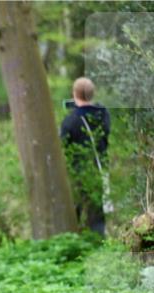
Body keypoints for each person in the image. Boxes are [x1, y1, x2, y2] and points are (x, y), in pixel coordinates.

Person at [60, 77, 111, 236]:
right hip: (99, 167)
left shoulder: (70, 121)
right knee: (97, 210)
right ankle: (98, 241)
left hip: (77, 171)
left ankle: (75, 240)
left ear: (74, 94)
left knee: (75, 209)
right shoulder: (103, 114)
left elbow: (64, 146)